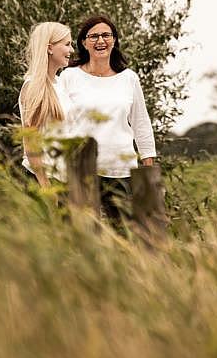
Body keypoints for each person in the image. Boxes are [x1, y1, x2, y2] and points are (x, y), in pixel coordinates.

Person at [58, 15, 156, 223]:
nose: (100, 41)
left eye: (106, 35)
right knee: (78, 235)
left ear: (114, 40)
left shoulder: (129, 78)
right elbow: (59, 123)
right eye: (93, 36)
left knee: (125, 235)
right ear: (84, 43)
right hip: (80, 169)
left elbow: (141, 123)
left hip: (121, 169)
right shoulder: (69, 76)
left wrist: (148, 163)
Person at [19, 22, 75, 187]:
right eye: (67, 44)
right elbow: (31, 142)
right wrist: (45, 186)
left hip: (63, 181)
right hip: (42, 181)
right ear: (50, 48)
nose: (71, 50)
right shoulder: (33, 87)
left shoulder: (59, 85)